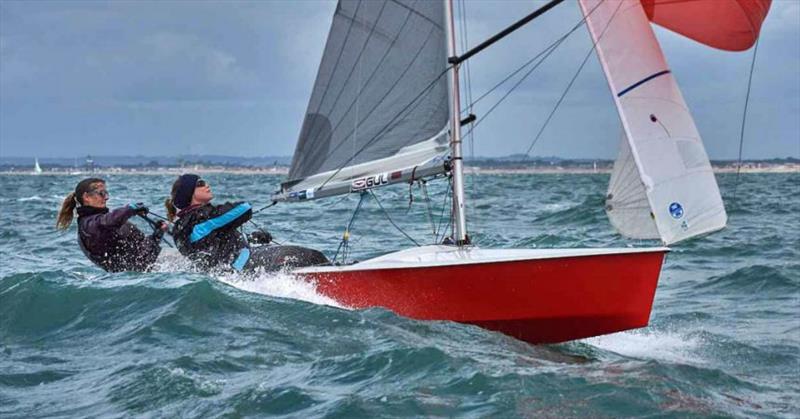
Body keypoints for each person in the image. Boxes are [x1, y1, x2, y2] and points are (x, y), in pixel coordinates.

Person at [166, 174, 327, 272]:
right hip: (242, 264)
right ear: (189, 193)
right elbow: (244, 208)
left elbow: (215, 244)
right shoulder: (200, 219)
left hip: (233, 265)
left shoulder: (185, 225)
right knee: (312, 256)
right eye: (200, 183)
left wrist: (251, 238)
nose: (206, 185)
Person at [56, 177, 167, 272]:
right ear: (87, 197)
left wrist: (157, 235)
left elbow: (140, 251)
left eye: (106, 193)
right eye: (101, 193)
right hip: (139, 275)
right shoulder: (88, 225)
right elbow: (109, 220)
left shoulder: (100, 220)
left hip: (151, 267)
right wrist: (130, 209)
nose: (106, 197)